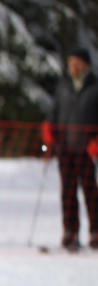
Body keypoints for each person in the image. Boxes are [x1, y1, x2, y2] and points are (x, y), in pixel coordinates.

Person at [42, 47, 98, 251]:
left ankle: (95, 231)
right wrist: (49, 128)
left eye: (76, 62)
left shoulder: (94, 86)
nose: (72, 66)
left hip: (86, 148)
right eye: (70, 62)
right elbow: (54, 111)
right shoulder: (63, 86)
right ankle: (70, 231)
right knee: (68, 191)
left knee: (91, 191)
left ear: (85, 64)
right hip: (64, 147)